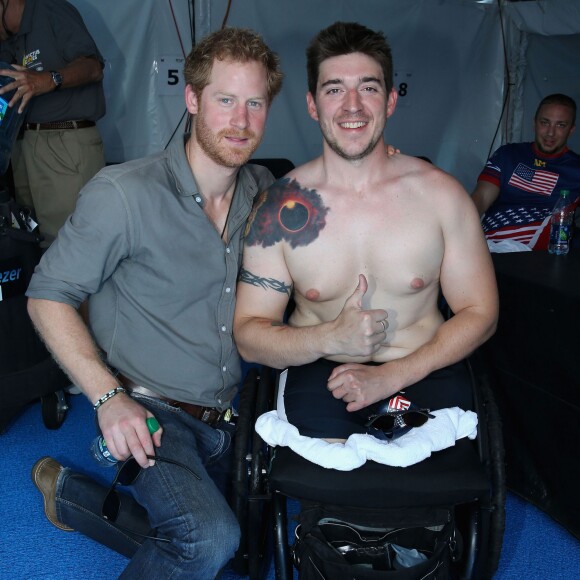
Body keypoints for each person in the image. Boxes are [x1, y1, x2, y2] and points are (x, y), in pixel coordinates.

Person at [27, 27, 283, 578]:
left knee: (260, 551)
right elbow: (47, 294)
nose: (240, 121)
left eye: (255, 102)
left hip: (228, 409)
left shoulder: (262, 189)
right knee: (209, 538)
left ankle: (73, 497)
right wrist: (108, 398)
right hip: (148, 411)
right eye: (224, 99)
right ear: (191, 99)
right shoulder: (123, 194)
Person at [233, 21, 498, 443]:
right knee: (332, 482)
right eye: (334, 89)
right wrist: (329, 336)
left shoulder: (441, 197)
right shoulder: (280, 209)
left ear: (391, 101)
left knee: (420, 483)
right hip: (321, 371)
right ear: (312, 104)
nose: (352, 105)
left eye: (369, 88)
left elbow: (480, 313)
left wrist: (391, 376)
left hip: (419, 369)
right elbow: (249, 334)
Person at [0, 0, 106, 247]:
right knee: (32, 240)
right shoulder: (9, 40)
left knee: (71, 244)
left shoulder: (51, 11)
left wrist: (47, 80)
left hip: (64, 142)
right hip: (24, 146)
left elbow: (93, 67)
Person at [471, 93, 580, 250]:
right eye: (545, 123)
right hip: (489, 247)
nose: (550, 133)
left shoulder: (576, 168)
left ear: (571, 130)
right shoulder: (508, 154)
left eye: (560, 125)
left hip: (538, 259)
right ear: (534, 123)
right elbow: (481, 197)